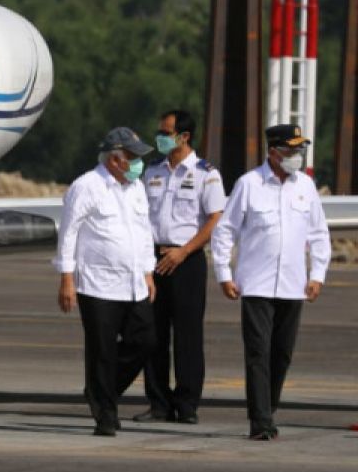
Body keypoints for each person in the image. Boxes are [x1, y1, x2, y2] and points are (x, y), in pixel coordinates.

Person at [210, 124, 330, 441]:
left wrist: (317, 274)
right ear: (273, 152)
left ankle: (268, 406)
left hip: (293, 285)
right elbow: (225, 230)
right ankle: (260, 420)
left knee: (282, 354)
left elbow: (319, 235)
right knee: (258, 353)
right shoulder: (249, 184)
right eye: (291, 151)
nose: (296, 157)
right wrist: (224, 273)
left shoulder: (306, 186)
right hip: (256, 284)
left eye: (299, 151)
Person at [55, 127, 157, 437]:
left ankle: (102, 390)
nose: (139, 163)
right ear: (115, 159)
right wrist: (66, 279)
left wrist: (148, 272)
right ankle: (105, 415)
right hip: (97, 283)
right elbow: (68, 232)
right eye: (133, 157)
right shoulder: (87, 186)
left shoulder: (136, 188)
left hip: (134, 282)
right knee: (101, 350)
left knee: (145, 341)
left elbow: (143, 232)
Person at [134, 110, 226, 425]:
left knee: (187, 335)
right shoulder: (152, 171)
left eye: (165, 132)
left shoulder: (206, 173)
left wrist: (184, 251)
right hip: (154, 260)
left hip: (187, 261)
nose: (159, 137)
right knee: (153, 335)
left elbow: (215, 218)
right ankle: (158, 403)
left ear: (183, 136)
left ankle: (187, 404)